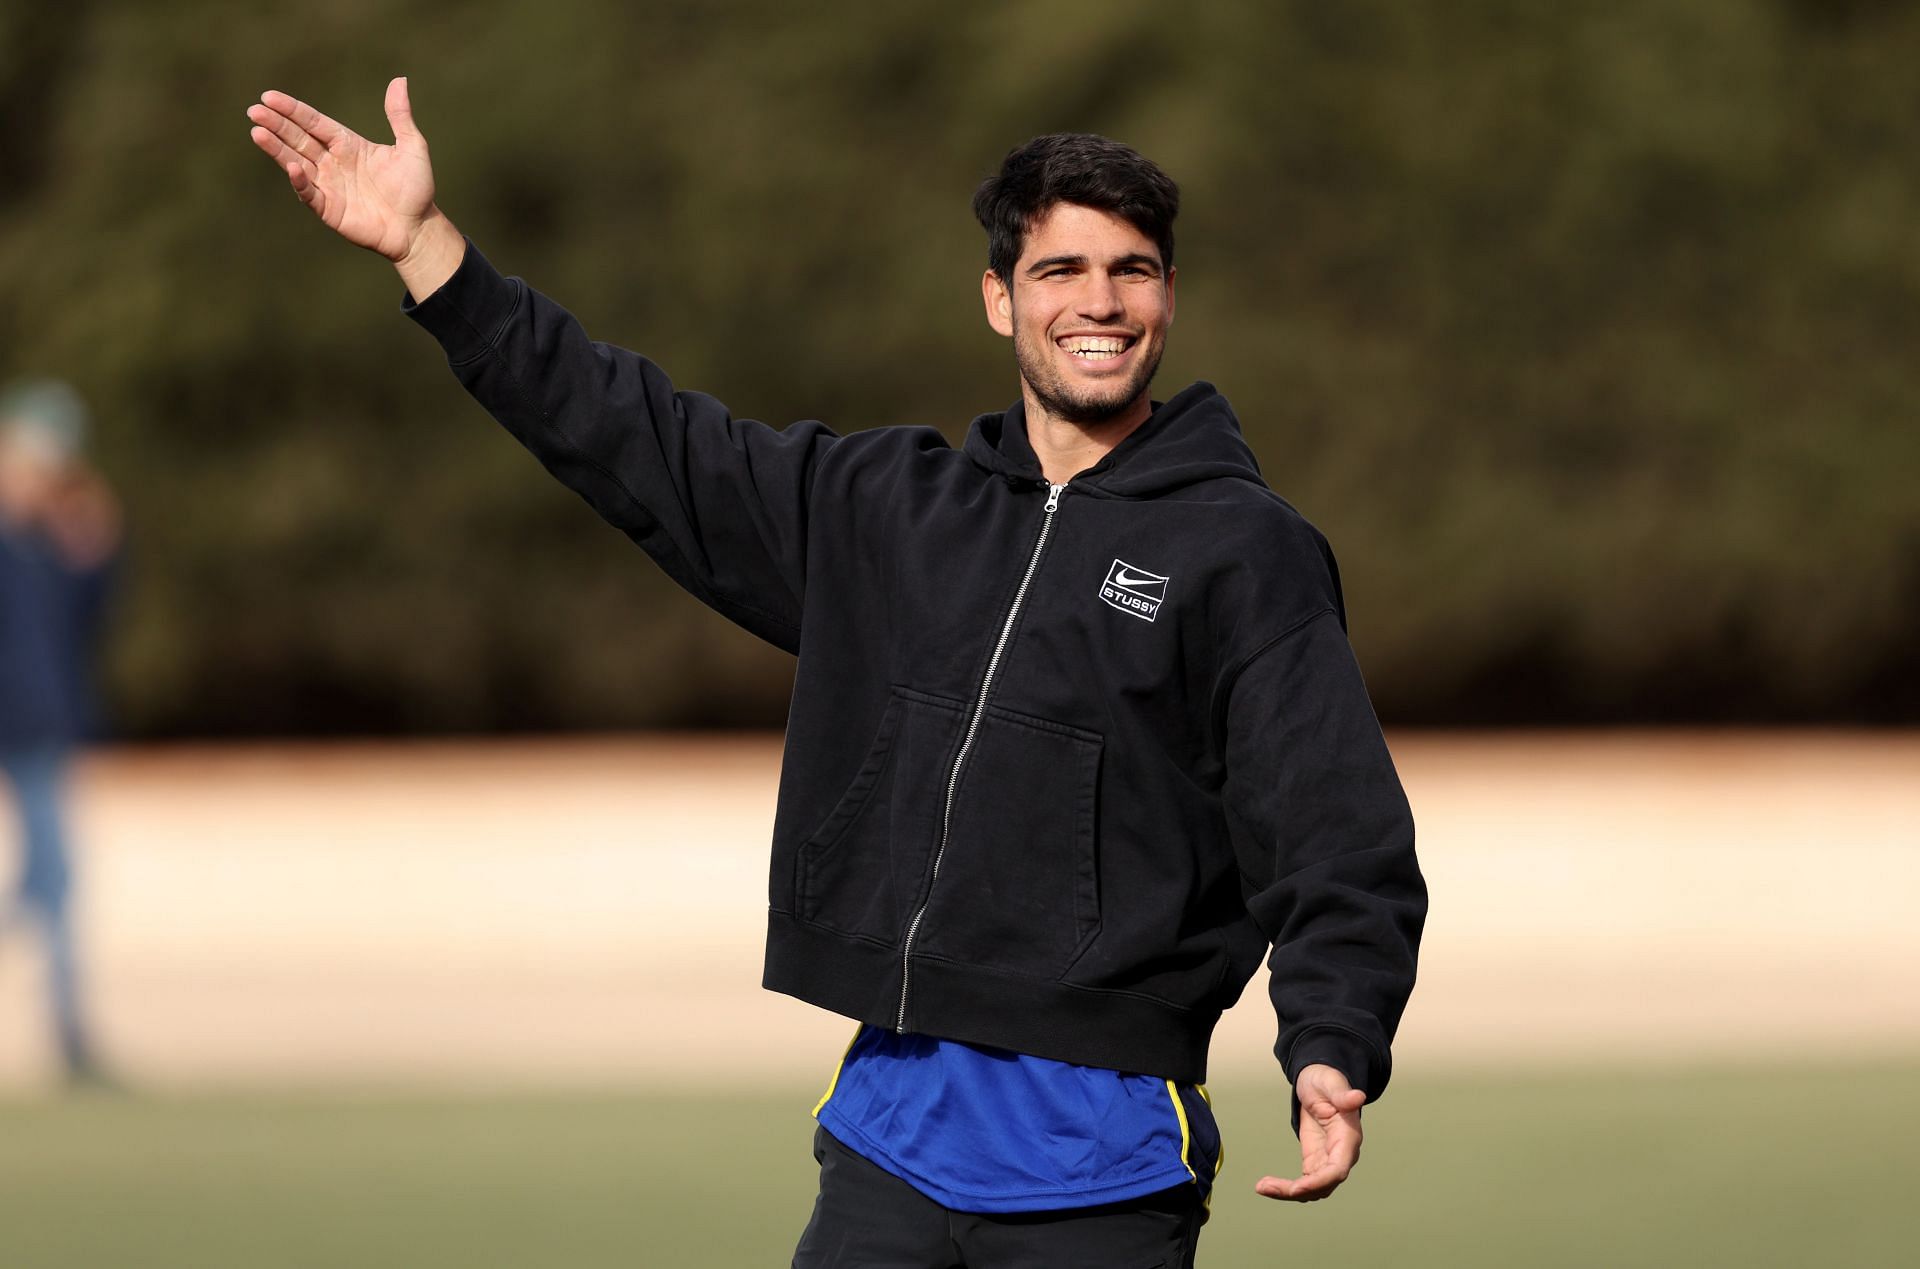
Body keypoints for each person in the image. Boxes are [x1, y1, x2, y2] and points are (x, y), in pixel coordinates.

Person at [248, 78, 1427, 1266]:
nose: (1100, 302)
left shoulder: (1244, 549)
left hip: (1104, 1163)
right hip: (888, 1141)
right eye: (1061, 271)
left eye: (1133, 269)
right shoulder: (890, 509)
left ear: (1170, 294)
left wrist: (1333, 1035)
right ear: (998, 298)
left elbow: (1332, 826)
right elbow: (643, 438)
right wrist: (428, 252)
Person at [0, 378, 120, 1087]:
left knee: (55, 880)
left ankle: (73, 1038)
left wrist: (95, 553)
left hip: (44, 727)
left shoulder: (43, 545)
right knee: (53, 879)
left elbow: (84, 623)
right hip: (18, 725)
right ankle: (73, 1040)